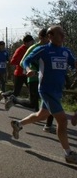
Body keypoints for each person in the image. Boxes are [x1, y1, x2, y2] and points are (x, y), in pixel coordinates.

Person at [10, 25, 77, 164]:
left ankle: (18, 124)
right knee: (62, 120)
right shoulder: (42, 50)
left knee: (42, 115)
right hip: (46, 89)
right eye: (60, 34)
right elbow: (25, 60)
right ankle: (68, 153)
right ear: (50, 36)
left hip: (57, 91)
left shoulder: (66, 52)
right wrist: (28, 69)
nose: (63, 37)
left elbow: (74, 64)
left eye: (63, 34)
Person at [4, 29, 55, 133]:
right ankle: (14, 100)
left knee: (52, 101)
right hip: (33, 79)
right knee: (33, 103)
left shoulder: (50, 48)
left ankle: (49, 125)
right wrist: (30, 69)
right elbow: (23, 61)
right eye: (48, 37)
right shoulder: (34, 48)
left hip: (46, 80)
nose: (50, 40)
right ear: (42, 37)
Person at [0, 35, 35, 102]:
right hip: (20, 73)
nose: (32, 43)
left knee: (32, 89)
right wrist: (22, 63)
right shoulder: (20, 50)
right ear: (26, 42)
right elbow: (13, 61)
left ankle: (31, 101)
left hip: (28, 73)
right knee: (16, 92)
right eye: (31, 42)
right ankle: (3, 94)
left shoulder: (31, 49)